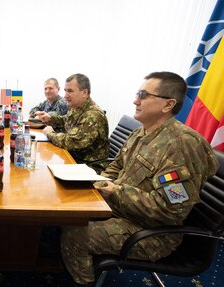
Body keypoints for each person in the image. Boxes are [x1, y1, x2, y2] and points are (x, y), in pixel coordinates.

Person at [60, 71, 219, 286]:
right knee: (68, 210)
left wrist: (116, 191)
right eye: (137, 93)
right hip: (121, 211)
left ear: (167, 104)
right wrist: (98, 183)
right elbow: (116, 166)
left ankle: (84, 282)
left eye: (144, 95)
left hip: (151, 232)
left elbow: (171, 210)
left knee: (75, 235)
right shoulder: (142, 133)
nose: (136, 100)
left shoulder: (182, 146)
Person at [36, 73, 109, 173]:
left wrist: (49, 133)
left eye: (70, 91)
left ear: (84, 93)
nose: (65, 95)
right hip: (73, 158)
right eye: (65, 90)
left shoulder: (92, 115)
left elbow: (71, 142)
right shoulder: (76, 106)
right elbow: (66, 120)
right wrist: (49, 119)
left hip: (88, 167)